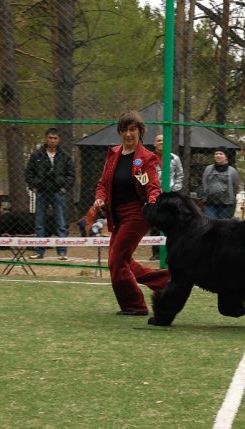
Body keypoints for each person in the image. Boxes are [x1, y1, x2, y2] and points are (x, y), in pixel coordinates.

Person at [94, 111, 170, 316]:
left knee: (116, 261)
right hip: (116, 214)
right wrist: (99, 198)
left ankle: (135, 305)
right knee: (122, 261)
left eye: (133, 129)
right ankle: (166, 281)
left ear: (140, 131)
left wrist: (153, 203)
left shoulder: (145, 159)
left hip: (137, 214)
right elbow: (103, 184)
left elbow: (152, 186)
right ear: (120, 132)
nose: (128, 134)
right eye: (125, 130)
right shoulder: (113, 154)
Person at [25, 127, 75, 260]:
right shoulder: (37, 155)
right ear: (46, 139)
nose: (52, 140)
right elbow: (29, 173)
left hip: (58, 192)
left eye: (55, 138)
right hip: (41, 192)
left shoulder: (65, 156)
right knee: (39, 223)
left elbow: (71, 175)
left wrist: (64, 188)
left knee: (61, 223)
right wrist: (34, 186)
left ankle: (62, 252)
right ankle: (39, 251)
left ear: (59, 140)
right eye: (50, 138)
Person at [149, 133, 184, 260]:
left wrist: (174, 191)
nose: (161, 143)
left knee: (171, 224)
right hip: (154, 196)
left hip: (170, 196)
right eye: (158, 141)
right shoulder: (149, 158)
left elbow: (180, 175)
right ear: (154, 143)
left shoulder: (174, 158)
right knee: (154, 224)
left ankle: (171, 251)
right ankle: (156, 253)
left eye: (163, 140)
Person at [201, 146, 240, 219]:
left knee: (224, 226)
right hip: (210, 203)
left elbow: (235, 186)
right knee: (211, 224)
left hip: (227, 204)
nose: (218, 155)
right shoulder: (208, 169)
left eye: (221, 154)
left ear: (226, 157)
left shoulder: (232, 171)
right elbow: (204, 182)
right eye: (216, 154)